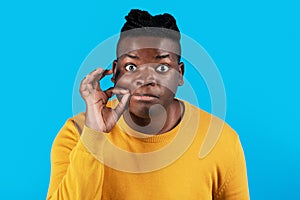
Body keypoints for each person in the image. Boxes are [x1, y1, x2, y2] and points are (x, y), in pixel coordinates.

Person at [47, 9, 250, 200]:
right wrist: (94, 135)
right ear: (114, 72)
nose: (145, 79)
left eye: (162, 67)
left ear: (180, 74)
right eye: (132, 66)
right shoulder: (77, 134)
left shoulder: (220, 140)